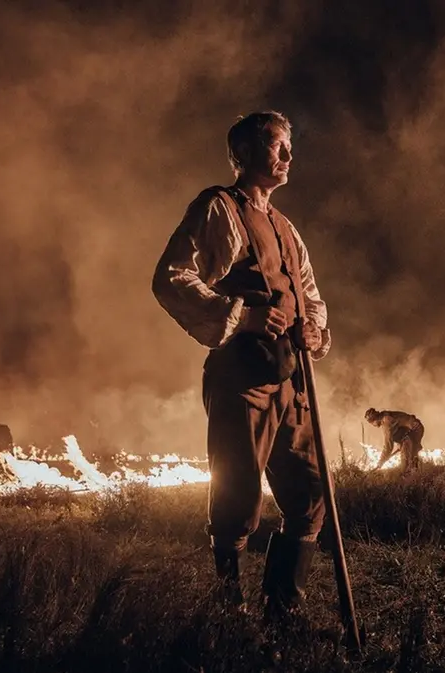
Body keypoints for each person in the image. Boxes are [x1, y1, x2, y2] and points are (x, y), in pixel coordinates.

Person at [151, 111, 331, 618]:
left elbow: (310, 294)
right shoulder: (219, 208)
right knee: (237, 500)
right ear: (245, 153)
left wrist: (313, 329)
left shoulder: (285, 227)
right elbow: (171, 277)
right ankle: (229, 614)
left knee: (312, 492)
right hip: (241, 379)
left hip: (291, 381)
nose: (289, 157)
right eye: (278, 147)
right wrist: (243, 316)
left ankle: (281, 609)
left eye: (289, 147)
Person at [364, 408, 424, 472]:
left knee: (406, 459)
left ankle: (408, 475)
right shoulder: (385, 416)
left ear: (374, 420)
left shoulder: (386, 421)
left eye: (372, 423)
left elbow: (388, 446)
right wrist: (400, 444)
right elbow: (399, 430)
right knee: (411, 454)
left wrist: (381, 461)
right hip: (412, 429)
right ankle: (415, 473)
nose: (373, 425)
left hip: (415, 429)